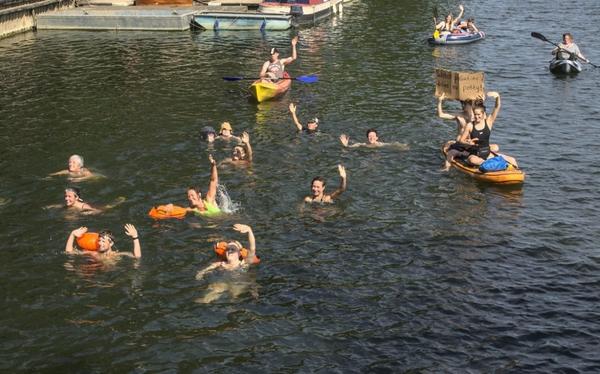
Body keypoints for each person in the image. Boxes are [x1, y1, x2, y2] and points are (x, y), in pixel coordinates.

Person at [456, 92, 518, 167]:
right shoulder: (470, 125)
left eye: (478, 114)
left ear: (483, 114)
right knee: (472, 160)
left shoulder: (489, 122)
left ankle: (495, 164)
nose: (476, 117)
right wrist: (468, 143)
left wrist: (497, 97)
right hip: (474, 154)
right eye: (475, 114)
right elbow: (461, 140)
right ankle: (491, 164)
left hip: (487, 153)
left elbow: (497, 107)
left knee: (512, 160)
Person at [65, 224, 141, 259]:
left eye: (103, 241)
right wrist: (72, 235)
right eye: (99, 240)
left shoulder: (116, 255)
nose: (100, 243)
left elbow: (137, 257)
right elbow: (69, 252)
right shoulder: (94, 253)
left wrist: (135, 237)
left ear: (111, 243)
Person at [339, 128, 407, 149]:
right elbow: (352, 146)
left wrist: (402, 145)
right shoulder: (363, 144)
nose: (371, 138)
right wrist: (345, 145)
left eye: (373, 136)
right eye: (369, 136)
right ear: (367, 138)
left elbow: (392, 144)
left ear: (377, 138)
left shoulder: (380, 144)